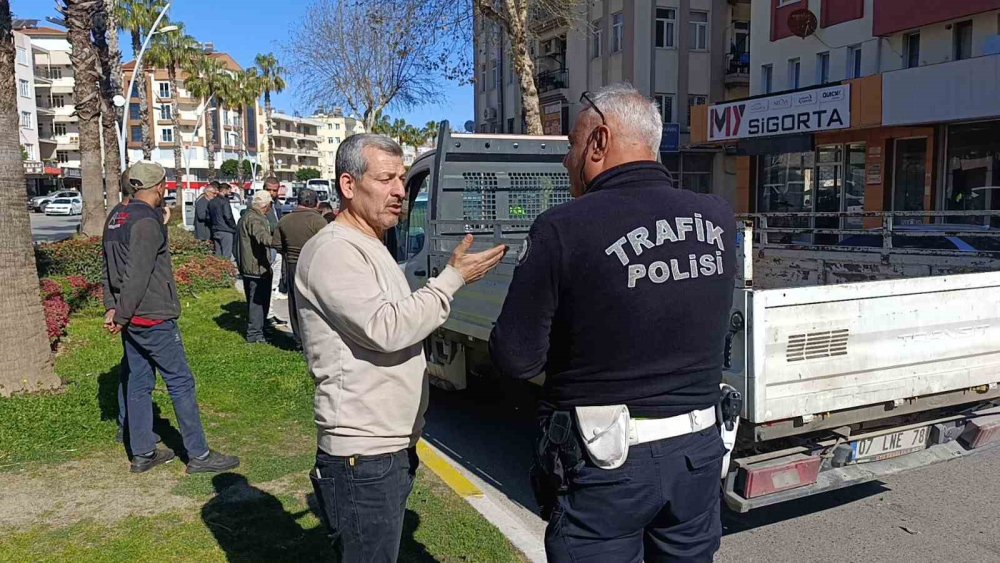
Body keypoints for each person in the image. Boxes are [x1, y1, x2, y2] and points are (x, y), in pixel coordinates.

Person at [489, 84, 736, 562]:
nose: (567, 161)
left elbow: (516, 358)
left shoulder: (562, 228)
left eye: (571, 146)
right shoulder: (717, 217)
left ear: (599, 142)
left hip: (605, 467)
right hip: (698, 454)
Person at [296, 134, 506, 561]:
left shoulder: (370, 244)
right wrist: (452, 279)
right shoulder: (334, 251)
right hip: (362, 454)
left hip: (386, 449)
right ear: (348, 185)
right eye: (386, 179)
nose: (399, 191)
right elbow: (387, 328)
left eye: (402, 179)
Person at [102, 161, 241, 474]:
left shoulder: (117, 216)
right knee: (180, 382)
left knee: (138, 382)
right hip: (152, 316)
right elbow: (138, 274)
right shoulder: (146, 222)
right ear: (160, 187)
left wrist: (113, 307)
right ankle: (199, 454)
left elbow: (109, 266)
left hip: (132, 318)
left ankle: (142, 453)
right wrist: (121, 314)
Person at [271, 188, 327, 339]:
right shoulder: (319, 221)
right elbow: (327, 244)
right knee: (314, 302)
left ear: (298, 202)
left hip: (292, 264)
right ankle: (314, 337)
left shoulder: (285, 220)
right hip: (313, 265)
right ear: (316, 203)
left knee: (294, 302)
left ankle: (298, 337)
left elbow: (276, 244)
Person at [237, 190, 276, 344]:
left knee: (256, 302)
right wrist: (277, 242)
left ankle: (259, 330)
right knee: (258, 303)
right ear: (266, 205)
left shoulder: (247, 215)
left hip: (250, 266)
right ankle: (255, 336)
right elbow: (261, 236)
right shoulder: (254, 218)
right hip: (256, 268)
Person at [208, 183, 238, 259]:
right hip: (226, 230)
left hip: (215, 230)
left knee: (218, 255)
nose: (230, 193)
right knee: (226, 255)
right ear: (224, 190)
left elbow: (208, 217)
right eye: (229, 191)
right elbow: (228, 216)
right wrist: (234, 226)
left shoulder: (211, 201)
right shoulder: (224, 201)